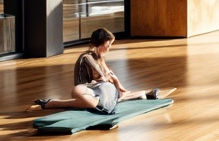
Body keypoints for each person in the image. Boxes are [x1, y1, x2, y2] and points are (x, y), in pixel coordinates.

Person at [32, 28, 166, 112]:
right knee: (97, 99)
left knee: (101, 99)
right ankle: (141, 94)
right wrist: (116, 84)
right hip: (88, 91)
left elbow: (109, 75)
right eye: (108, 44)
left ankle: (50, 103)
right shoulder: (87, 57)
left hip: (96, 91)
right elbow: (104, 76)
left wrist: (118, 85)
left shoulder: (98, 57)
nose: (109, 48)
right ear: (101, 43)